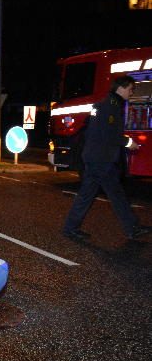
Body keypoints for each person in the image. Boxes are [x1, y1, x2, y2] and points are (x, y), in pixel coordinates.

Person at [63, 75, 150, 240]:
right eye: (131, 89)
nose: (131, 93)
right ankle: (132, 227)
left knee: (88, 195)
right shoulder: (111, 106)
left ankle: (70, 228)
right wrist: (127, 142)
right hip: (100, 159)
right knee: (115, 194)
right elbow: (108, 134)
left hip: (95, 157)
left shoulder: (105, 104)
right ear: (121, 88)